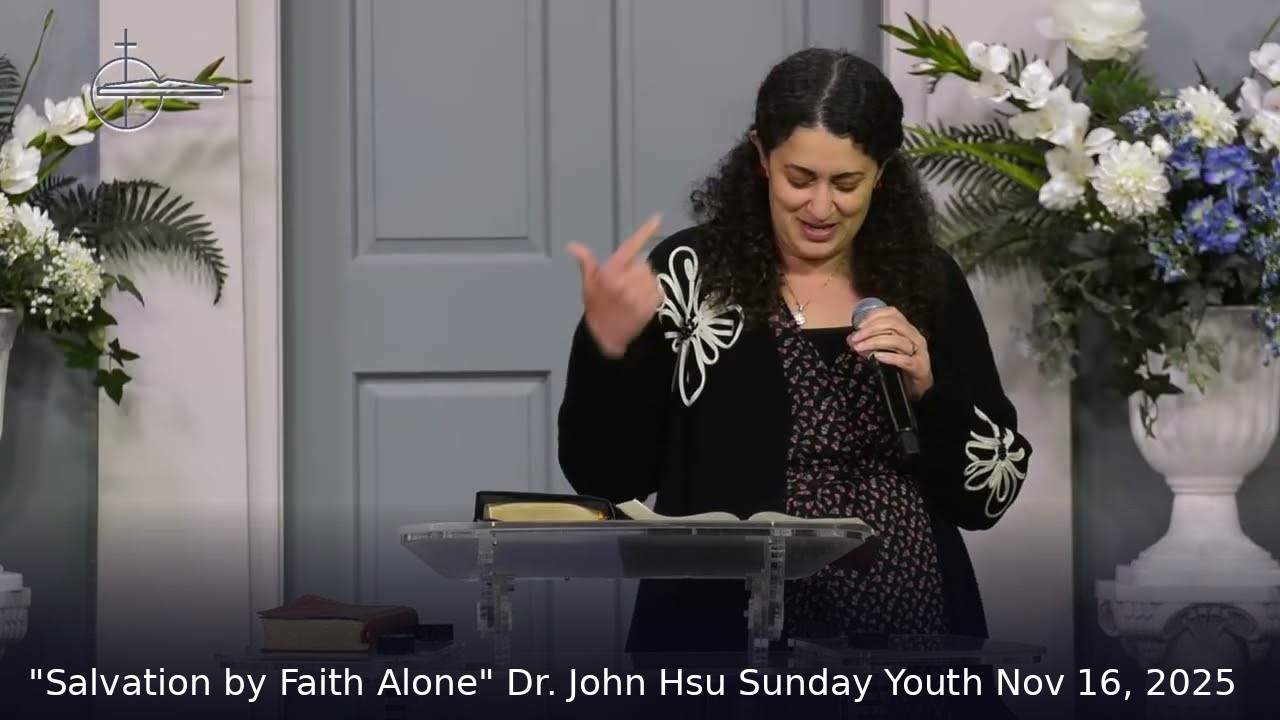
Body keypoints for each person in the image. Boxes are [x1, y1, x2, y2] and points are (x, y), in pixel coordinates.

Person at [557, 48, 1033, 655]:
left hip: (911, 622)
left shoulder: (925, 280)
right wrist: (606, 348)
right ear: (761, 156)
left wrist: (930, 392)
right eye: (800, 179)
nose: (820, 208)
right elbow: (606, 478)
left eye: (846, 183)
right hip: (725, 633)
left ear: (882, 173)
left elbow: (989, 496)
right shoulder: (688, 275)